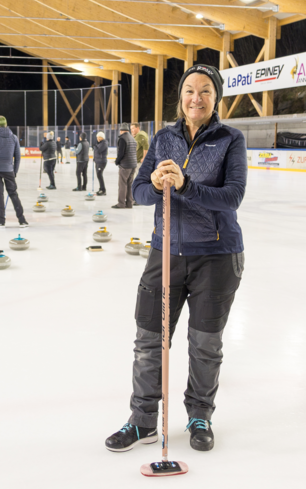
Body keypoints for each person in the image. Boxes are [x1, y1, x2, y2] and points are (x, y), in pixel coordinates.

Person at [104, 64, 247, 454]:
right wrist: (152, 182)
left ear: (216, 97)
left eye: (204, 91)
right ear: (180, 97)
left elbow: (232, 196)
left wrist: (186, 186)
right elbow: (139, 193)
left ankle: (200, 415)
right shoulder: (164, 139)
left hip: (216, 257)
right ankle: (142, 421)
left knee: (204, 345)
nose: (195, 98)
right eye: (188, 91)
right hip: (165, 252)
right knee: (149, 340)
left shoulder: (230, 139)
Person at [112, 123, 137, 209]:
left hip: (125, 165)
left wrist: (117, 161)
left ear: (121, 130)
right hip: (133, 164)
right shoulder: (132, 138)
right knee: (129, 184)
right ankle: (129, 203)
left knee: (122, 184)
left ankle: (121, 203)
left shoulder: (122, 138)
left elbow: (121, 153)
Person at [92, 131, 108, 196]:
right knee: (99, 175)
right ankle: (101, 188)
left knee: (99, 175)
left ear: (102, 138)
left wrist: (95, 146)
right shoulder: (99, 143)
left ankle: (103, 190)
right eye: (97, 137)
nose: (98, 139)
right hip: (98, 161)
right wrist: (94, 158)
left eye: (99, 137)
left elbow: (99, 150)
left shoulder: (104, 143)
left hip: (101, 161)